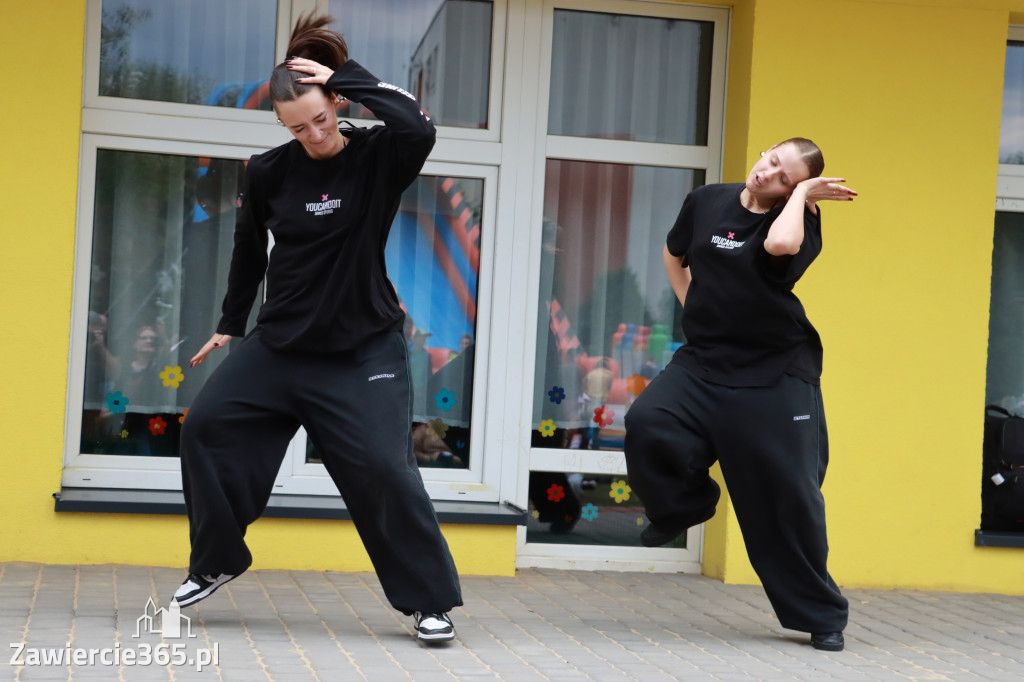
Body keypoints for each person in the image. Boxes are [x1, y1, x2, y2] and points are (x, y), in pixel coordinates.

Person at [173, 13, 462, 644]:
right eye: (298, 128)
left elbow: (418, 124)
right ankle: (216, 560)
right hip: (281, 345)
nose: (314, 135)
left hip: (363, 349)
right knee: (206, 429)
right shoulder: (271, 169)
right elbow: (249, 248)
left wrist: (349, 77)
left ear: (336, 102)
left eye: (322, 119)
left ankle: (429, 602)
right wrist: (230, 323)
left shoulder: (378, 155)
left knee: (386, 470)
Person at [623, 138, 856, 652]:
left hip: (775, 368)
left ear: (796, 191)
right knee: (647, 422)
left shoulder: (798, 223)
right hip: (705, 359)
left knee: (789, 496)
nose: (767, 173)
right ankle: (684, 505)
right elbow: (673, 253)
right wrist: (693, 308)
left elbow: (778, 247)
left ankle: (821, 614)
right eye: (770, 159)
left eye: (783, 176)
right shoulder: (708, 200)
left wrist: (802, 199)